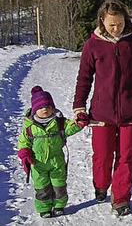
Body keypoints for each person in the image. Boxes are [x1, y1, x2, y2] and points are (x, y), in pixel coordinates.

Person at [73, 0, 132, 216]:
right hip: (101, 111)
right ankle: (102, 184)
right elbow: (84, 78)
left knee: (126, 156)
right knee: (102, 156)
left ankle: (121, 197)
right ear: (102, 21)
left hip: (131, 109)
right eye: (111, 24)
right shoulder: (92, 45)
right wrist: (79, 105)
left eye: (120, 24)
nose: (116, 28)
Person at [17, 86, 89, 218]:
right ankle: (44, 209)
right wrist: (25, 153)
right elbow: (23, 142)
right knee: (42, 188)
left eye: (48, 107)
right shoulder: (30, 127)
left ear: (53, 108)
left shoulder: (59, 123)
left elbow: (70, 127)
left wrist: (80, 122)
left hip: (57, 161)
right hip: (37, 163)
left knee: (59, 186)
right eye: (40, 108)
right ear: (34, 110)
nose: (45, 110)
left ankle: (59, 206)